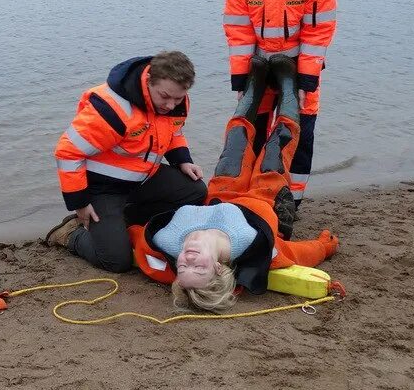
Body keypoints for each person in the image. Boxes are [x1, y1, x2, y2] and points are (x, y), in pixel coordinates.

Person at [129, 54, 338, 312]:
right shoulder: (256, 249)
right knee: (278, 144)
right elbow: (300, 254)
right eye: (199, 267)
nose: (189, 259)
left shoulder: (163, 242)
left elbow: (131, 235)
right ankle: (287, 84)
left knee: (236, 140)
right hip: (267, 197)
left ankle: (255, 84)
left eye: (183, 267)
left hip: (224, 190)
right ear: (218, 267)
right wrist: (327, 244)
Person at [45, 51, 208, 272]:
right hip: (103, 189)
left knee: (196, 190)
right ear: (148, 81)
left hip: (141, 179)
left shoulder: (176, 102)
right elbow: (67, 153)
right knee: (115, 261)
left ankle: (118, 221)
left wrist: (182, 161)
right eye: (165, 96)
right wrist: (80, 203)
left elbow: (174, 132)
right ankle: (71, 234)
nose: (171, 105)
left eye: (178, 98)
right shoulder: (111, 109)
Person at [223, 0, 337, 207]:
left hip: (299, 69)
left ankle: (291, 200)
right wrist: (240, 81)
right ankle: (251, 195)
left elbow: (318, 33)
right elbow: (239, 34)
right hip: (259, 70)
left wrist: (308, 80)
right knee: (252, 134)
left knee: (299, 137)